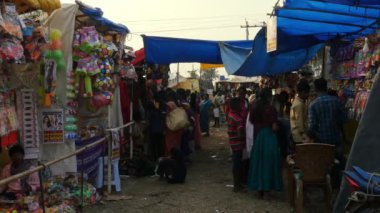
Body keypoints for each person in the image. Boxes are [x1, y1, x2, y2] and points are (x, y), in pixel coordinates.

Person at [248, 88, 283, 198]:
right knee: (269, 163)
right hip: (269, 136)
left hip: (258, 136)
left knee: (258, 162)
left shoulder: (254, 107)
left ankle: (259, 189)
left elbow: (251, 121)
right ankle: (267, 190)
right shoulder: (271, 109)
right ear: (269, 97)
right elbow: (274, 126)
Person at [308, 78, 345, 147]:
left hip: (322, 141)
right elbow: (343, 119)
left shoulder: (313, 105)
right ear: (326, 87)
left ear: (316, 89)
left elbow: (312, 126)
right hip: (336, 139)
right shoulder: (336, 101)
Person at [227, 98, 245, 192]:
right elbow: (239, 133)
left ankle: (237, 184)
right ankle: (237, 186)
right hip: (238, 143)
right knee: (238, 164)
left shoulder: (230, 114)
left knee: (236, 164)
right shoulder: (237, 118)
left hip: (233, 142)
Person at [290, 80, 311, 144]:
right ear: (299, 92)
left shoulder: (300, 102)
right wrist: (304, 135)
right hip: (300, 137)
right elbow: (299, 122)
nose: (307, 94)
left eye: (308, 92)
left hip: (298, 135)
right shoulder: (299, 104)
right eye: (305, 92)